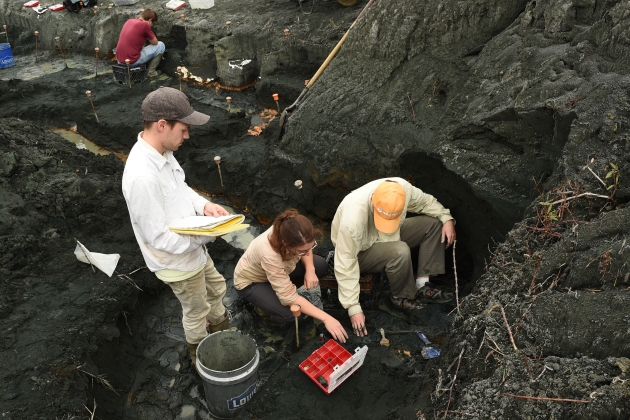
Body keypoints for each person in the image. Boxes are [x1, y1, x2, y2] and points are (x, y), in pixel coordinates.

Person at [122, 87, 230, 368]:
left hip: (193, 247)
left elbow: (180, 188)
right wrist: (205, 237)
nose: (187, 136)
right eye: (183, 129)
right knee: (196, 310)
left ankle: (223, 331)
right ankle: (201, 356)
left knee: (217, 287)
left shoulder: (163, 153)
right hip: (177, 261)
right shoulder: (142, 177)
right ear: (162, 125)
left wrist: (204, 206)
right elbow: (157, 237)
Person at [331, 177, 456, 337]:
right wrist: (353, 308)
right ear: (373, 202)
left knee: (434, 224)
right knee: (400, 250)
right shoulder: (352, 221)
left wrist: (446, 218)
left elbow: (426, 203)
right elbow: (345, 263)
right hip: (360, 251)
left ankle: (422, 285)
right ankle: (401, 296)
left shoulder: (402, 190)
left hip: (390, 234)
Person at [234, 209, 348, 343]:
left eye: (309, 248)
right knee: (292, 315)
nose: (307, 253)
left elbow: (306, 249)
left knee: (320, 265)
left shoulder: (293, 228)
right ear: (286, 244)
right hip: (252, 282)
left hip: (279, 271)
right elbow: (289, 297)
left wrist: (310, 270)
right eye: (301, 251)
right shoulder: (269, 254)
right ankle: (262, 310)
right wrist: (327, 318)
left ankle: (276, 291)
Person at [115, 9, 165, 77]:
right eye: (153, 24)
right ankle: (151, 73)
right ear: (150, 20)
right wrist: (147, 34)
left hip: (119, 60)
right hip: (132, 61)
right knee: (161, 45)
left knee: (142, 47)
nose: (152, 26)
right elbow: (155, 42)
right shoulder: (144, 25)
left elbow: (132, 40)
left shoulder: (129, 21)